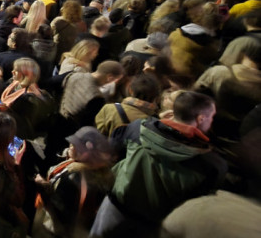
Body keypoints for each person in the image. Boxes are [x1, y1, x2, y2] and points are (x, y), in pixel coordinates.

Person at [90, 91, 227, 238]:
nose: (212, 121)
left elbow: (113, 155)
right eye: (212, 117)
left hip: (114, 208)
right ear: (201, 118)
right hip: (155, 225)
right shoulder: (211, 165)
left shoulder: (138, 129)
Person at [33, 127, 114, 238]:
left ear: (86, 154)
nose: (71, 145)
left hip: (54, 232)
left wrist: (42, 186)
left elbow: (59, 214)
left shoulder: (75, 178)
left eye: (76, 145)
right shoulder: (98, 172)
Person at [1, 58, 57, 140]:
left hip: (16, 133)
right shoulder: (14, 84)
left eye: (16, 70)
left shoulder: (31, 99)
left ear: (26, 74)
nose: (12, 71)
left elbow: (26, 123)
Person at [95, 74, 160, 137]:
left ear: (130, 90)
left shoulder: (109, 109)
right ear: (156, 97)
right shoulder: (156, 123)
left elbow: (97, 134)